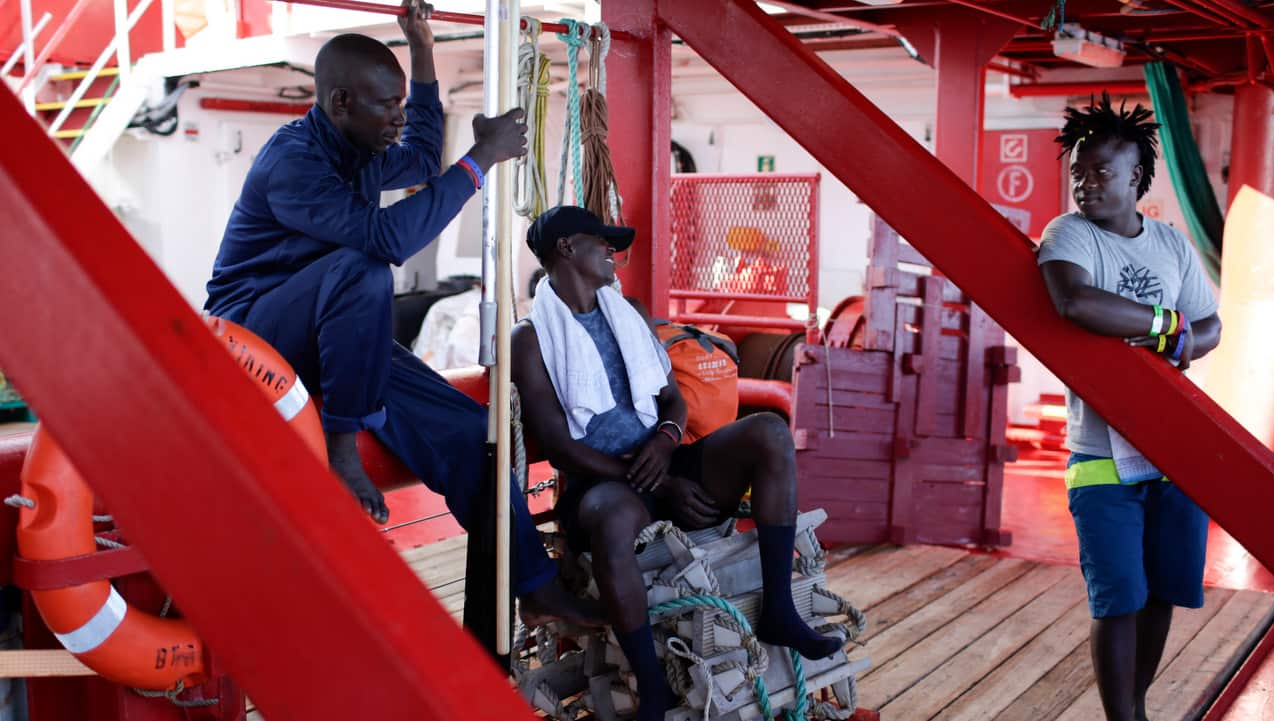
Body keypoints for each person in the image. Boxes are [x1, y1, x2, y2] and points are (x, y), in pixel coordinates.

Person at [203, 0, 596, 628]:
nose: (398, 116)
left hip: (330, 333)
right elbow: (384, 242)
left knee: (473, 435)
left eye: (398, 102)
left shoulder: (356, 148)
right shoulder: (293, 163)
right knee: (363, 266)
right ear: (339, 103)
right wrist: (480, 162)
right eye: (386, 105)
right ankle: (342, 446)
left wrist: (422, 47)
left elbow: (418, 157)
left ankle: (535, 587)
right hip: (252, 337)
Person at [512, 206, 844, 721]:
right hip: (603, 484)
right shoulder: (530, 337)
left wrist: (668, 442)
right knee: (614, 514)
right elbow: (558, 444)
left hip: (661, 457)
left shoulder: (631, 312)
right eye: (601, 242)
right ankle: (652, 686)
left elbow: (673, 400)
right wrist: (657, 482)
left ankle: (778, 609)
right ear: (567, 249)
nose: (612, 253)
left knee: (769, 432)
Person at [1037, 92, 1222, 721]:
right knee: (1118, 595)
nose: (1085, 185)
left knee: (1164, 589)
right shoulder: (1069, 233)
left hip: (1173, 444)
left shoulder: (1169, 244)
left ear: (1137, 177)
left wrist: (1183, 334)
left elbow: (1211, 324)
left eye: (1102, 173)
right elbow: (1077, 304)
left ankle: (1136, 710)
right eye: (1078, 174)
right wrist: (1170, 326)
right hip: (1100, 450)